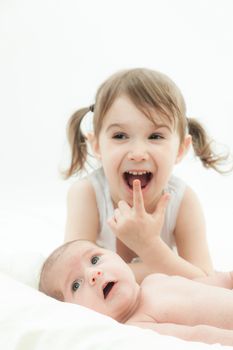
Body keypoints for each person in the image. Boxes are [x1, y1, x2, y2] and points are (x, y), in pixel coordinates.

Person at [63, 67, 231, 283]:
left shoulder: (183, 201)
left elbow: (208, 282)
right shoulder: (86, 194)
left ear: (180, 148)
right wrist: (162, 269)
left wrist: (148, 245)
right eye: (120, 135)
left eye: (155, 136)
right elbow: (73, 276)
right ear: (96, 145)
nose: (138, 153)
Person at [39, 238, 233, 346]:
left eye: (95, 259)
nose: (93, 274)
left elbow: (210, 283)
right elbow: (197, 337)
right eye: (75, 284)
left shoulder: (154, 279)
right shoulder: (137, 326)